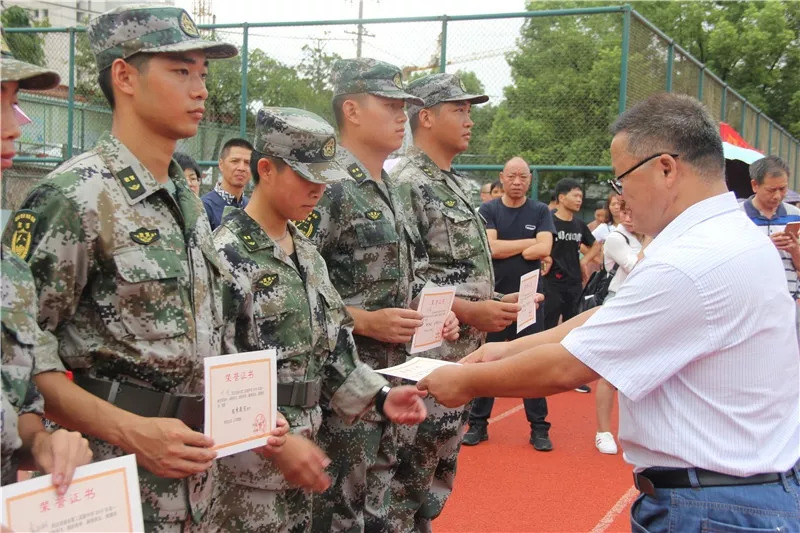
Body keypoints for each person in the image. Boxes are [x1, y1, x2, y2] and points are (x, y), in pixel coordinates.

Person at [419, 93, 800, 532]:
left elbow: (568, 368)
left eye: (621, 180)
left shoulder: (691, 261)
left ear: (665, 168)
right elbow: (607, 315)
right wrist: (502, 353)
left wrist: (464, 380)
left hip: (714, 508)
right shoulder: (724, 235)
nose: (620, 197)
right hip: (733, 494)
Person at [1, 7, 289, 531]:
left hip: (199, 478)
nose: (200, 89)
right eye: (181, 71)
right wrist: (130, 430)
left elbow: (206, 334)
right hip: (113, 481)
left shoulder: (187, 202)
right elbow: (23, 359)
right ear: (125, 76)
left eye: (203, 73)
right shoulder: (74, 198)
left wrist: (248, 409)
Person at [208, 107, 427, 532]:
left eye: (324, 176)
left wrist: (381, 396)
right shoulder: (225, 255)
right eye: (307, 176)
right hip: (249, 468)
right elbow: (215, 369)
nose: (319, 188)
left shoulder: (306, 252)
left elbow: (335, 351)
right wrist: (276, 442)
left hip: (308, 451)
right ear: (266, 169)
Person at [304, 58, 457, 533]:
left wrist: (437, 317)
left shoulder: (392, 186)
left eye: (404, 106)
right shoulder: (325, 185)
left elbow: (405, 276)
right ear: (350, 109)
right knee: (341, 514)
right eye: (390, 105)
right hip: (347, 386)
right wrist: (363, 320)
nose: (400, 117)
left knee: (388, 509)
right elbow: (295, 285)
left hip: (398, 380)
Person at [389, 73, 520, 533]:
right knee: (408, 475)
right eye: (458, 110)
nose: (469, 121)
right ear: (425, 117)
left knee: (436, 473)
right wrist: (469, 311)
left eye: (469, 111)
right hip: (428, 356)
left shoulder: (460, 185)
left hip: (460, 353)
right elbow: (408, 274)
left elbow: (461, 267)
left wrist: (496, 300)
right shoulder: (404, 181)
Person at [1, 32, 92, 494]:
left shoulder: (8, 270)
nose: (15, 126)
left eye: (12, 102)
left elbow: (20, 412)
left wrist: (42, 445)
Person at [462, 156, 555, 451]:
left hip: (530, 300)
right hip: (493, 299)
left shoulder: (540, 210)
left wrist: (511, 246)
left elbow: (545, 248)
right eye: (512, 176)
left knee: (534, 363)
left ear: (530, 179)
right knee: (487, 362)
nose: (517, 182)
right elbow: (491, 248)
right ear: (502, 177)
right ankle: (478, 424)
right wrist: (528, 244)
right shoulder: (488, 209)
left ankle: (539, 428)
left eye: (523, 177)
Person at [593, 198, 650, 455]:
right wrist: (650, 240)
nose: (628, 217)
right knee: (611, 372)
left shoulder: (648, 236)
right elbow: (635, 267)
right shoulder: (617, 238)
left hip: (647, 303)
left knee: (643, 370)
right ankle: (603, 432)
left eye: (632, 211)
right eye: (623, 212)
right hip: (619, 303)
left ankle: (638, 430)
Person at [541, 178, 600, 392]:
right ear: (562, 197)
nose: (579, 200)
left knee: (573, 328)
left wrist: (584, 261)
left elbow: (594, 245)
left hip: (574, 283)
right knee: (548, 328)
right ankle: (542, 371)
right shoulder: (549, 222)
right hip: (552, 283)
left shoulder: (579, 225)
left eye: (581, 197)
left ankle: (569, 374)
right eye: (575, 196)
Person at [741, 156, 800, 299]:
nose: (778, 196)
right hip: (750, 299)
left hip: (788, 299)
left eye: (783, 189)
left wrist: (795, 249)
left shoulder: (796, 216)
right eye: (771, 190)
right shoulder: (737, 216)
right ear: (755, 185)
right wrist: (765, 245)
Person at [201, 138, 253, 230]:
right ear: (221, 165)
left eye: (247, 163)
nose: (241, 168)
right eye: (235, 161)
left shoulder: (251, 207)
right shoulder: (204, 207)